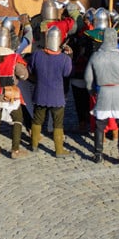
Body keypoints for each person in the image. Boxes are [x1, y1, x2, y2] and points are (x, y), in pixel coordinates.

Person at [85, 27, 119, 163]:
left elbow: (88, 78)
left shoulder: (96, 56)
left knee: (100, 124)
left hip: (104, 91)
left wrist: (91, 90)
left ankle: (98, 154)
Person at [0, 26, 29, 158]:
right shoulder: (14, 57)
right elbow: (23, 75)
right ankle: (15, 150)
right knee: (18, 119)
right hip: (10, 94)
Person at [29, 26, 74, 158]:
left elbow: (30, 69)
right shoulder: (64, 59)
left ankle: (34, 145)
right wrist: (69, 56)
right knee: (58, 123)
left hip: (40, 94)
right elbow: (67, 73)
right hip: (57, 96)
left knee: (37, 120)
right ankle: (59, 150)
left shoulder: (37, 54)